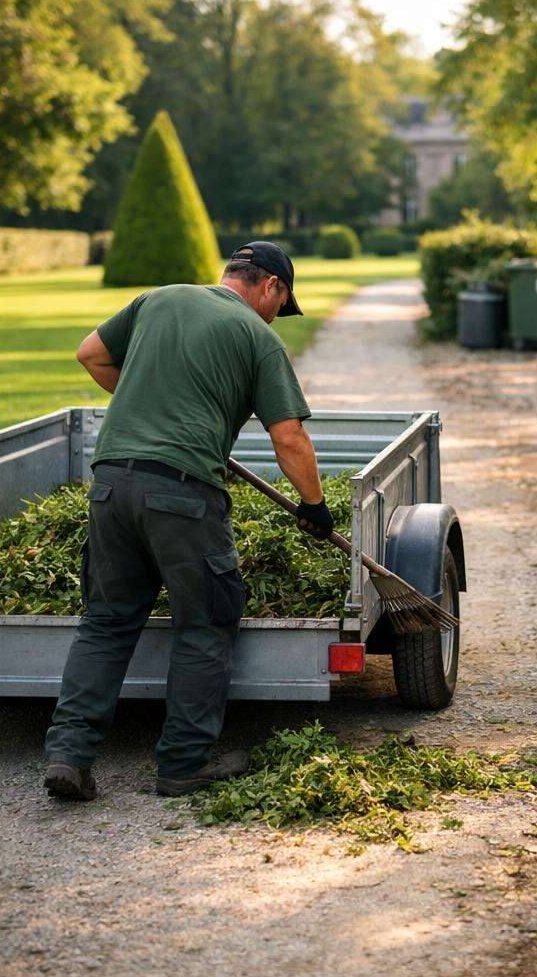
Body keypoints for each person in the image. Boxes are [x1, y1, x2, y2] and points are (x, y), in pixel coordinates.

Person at [44, 242, 335, 801]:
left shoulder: (159, 299)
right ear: (270, 286)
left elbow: (91, 354)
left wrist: (155, 407)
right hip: (182, 496)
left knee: (106, 620)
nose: (278, 315)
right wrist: (315, 509)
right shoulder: (257, 337)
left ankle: (68, 756)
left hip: (110, 484)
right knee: (204, 622)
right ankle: (182, 764)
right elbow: (288, 435)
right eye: (282, 303)